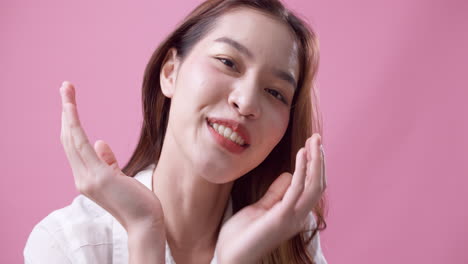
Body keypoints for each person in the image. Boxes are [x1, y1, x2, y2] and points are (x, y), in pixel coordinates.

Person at [24, 0, 328, 263]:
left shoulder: (288, 240)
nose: (246, 102)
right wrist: (145, 231)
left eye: (275, 93)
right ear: (170, 72)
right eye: (227, 62)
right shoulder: (68, 245)